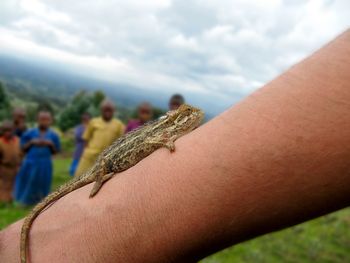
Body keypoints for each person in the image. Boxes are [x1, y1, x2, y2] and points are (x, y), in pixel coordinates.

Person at [1, 30, 350, 263]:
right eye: (185, 116)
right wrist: (158, 146)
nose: (192, 119)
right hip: (105, 168)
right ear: (177, 119)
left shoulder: (168, 129)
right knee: (83, 182)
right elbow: (147, 142)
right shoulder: (163, 131)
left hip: (115, 163)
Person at [13, 111, 60, 206]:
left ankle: (41, 202)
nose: (44, 122)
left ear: (51, 121)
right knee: (29, 181)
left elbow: (56, 151)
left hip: (45, 163)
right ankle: (25, 201)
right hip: (31, 162)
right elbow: (22, 148)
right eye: (42, 119)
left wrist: (50, 144)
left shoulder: (54, 135)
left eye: (47, 120)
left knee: (43, 182)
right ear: (37, 120)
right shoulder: (29, 133)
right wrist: (31, 142)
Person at [74, 100, 125, 176]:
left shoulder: (119, 125)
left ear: (113, 111)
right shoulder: (93, 122)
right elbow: (86, 139)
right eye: (105, 110)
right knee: (79, 180)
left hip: (106, 160)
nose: (107, 112)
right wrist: (87, 152)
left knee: (101, 183)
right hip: (89, 158)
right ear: (101, 110)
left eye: (109, 110)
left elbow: (122, 142)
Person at [0, 121, 21, 203]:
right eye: (5, 131)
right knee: (5, 185)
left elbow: (21, 153)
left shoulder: (17, 140)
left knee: (15, 184)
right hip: (5, 168)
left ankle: (14, 199)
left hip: (16, 167)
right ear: (2, 131)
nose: (8, 133)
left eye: (10, 130)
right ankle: (4, 201)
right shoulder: (1, 142)